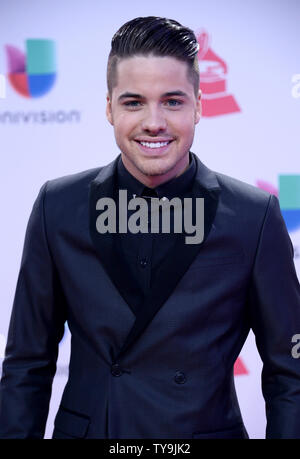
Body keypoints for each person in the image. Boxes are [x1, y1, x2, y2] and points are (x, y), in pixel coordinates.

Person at [0, 16, 300, 440]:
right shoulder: (58, 207)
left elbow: (292, 373)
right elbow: (26, 365)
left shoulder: (254, 217)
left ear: (199, 105)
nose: (153, 122)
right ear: (109, 108)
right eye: (134, 102)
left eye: (173, 102)